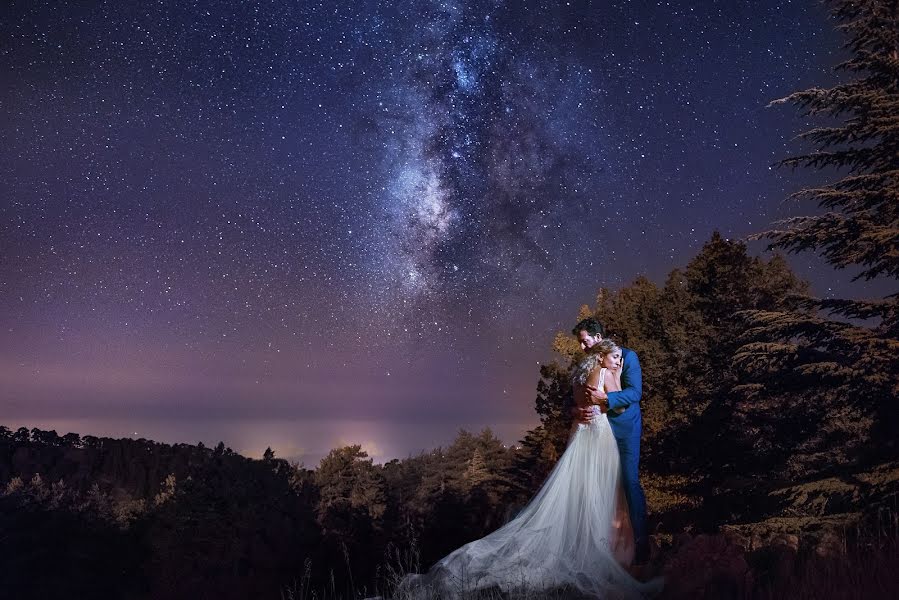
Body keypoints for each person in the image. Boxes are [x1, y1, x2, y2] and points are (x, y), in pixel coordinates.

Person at [393, 337, 661, 599]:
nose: (619, 361)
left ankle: (601, 545)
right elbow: (622, 402)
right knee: (606, 491)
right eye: (615, 357)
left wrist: (583, 409)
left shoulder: (585, 373)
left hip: (586, 434)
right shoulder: (606, 373)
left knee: (585, 490)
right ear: (603, 355)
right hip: (602, 436)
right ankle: (612, 550)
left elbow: (581, 403)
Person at [571, 316, 650, 566]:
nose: (582, 347)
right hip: (596, 430)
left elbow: (635, 393)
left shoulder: (628, 357)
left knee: (629, 481)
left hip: (625, 428)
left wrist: (605, 400)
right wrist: (578, 411)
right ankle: (600, 544)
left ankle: (641, 543)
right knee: (595, 484)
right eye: (580, 343)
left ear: (598, 337)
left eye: (585, 342)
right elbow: (575, 398)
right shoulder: (586, 365)